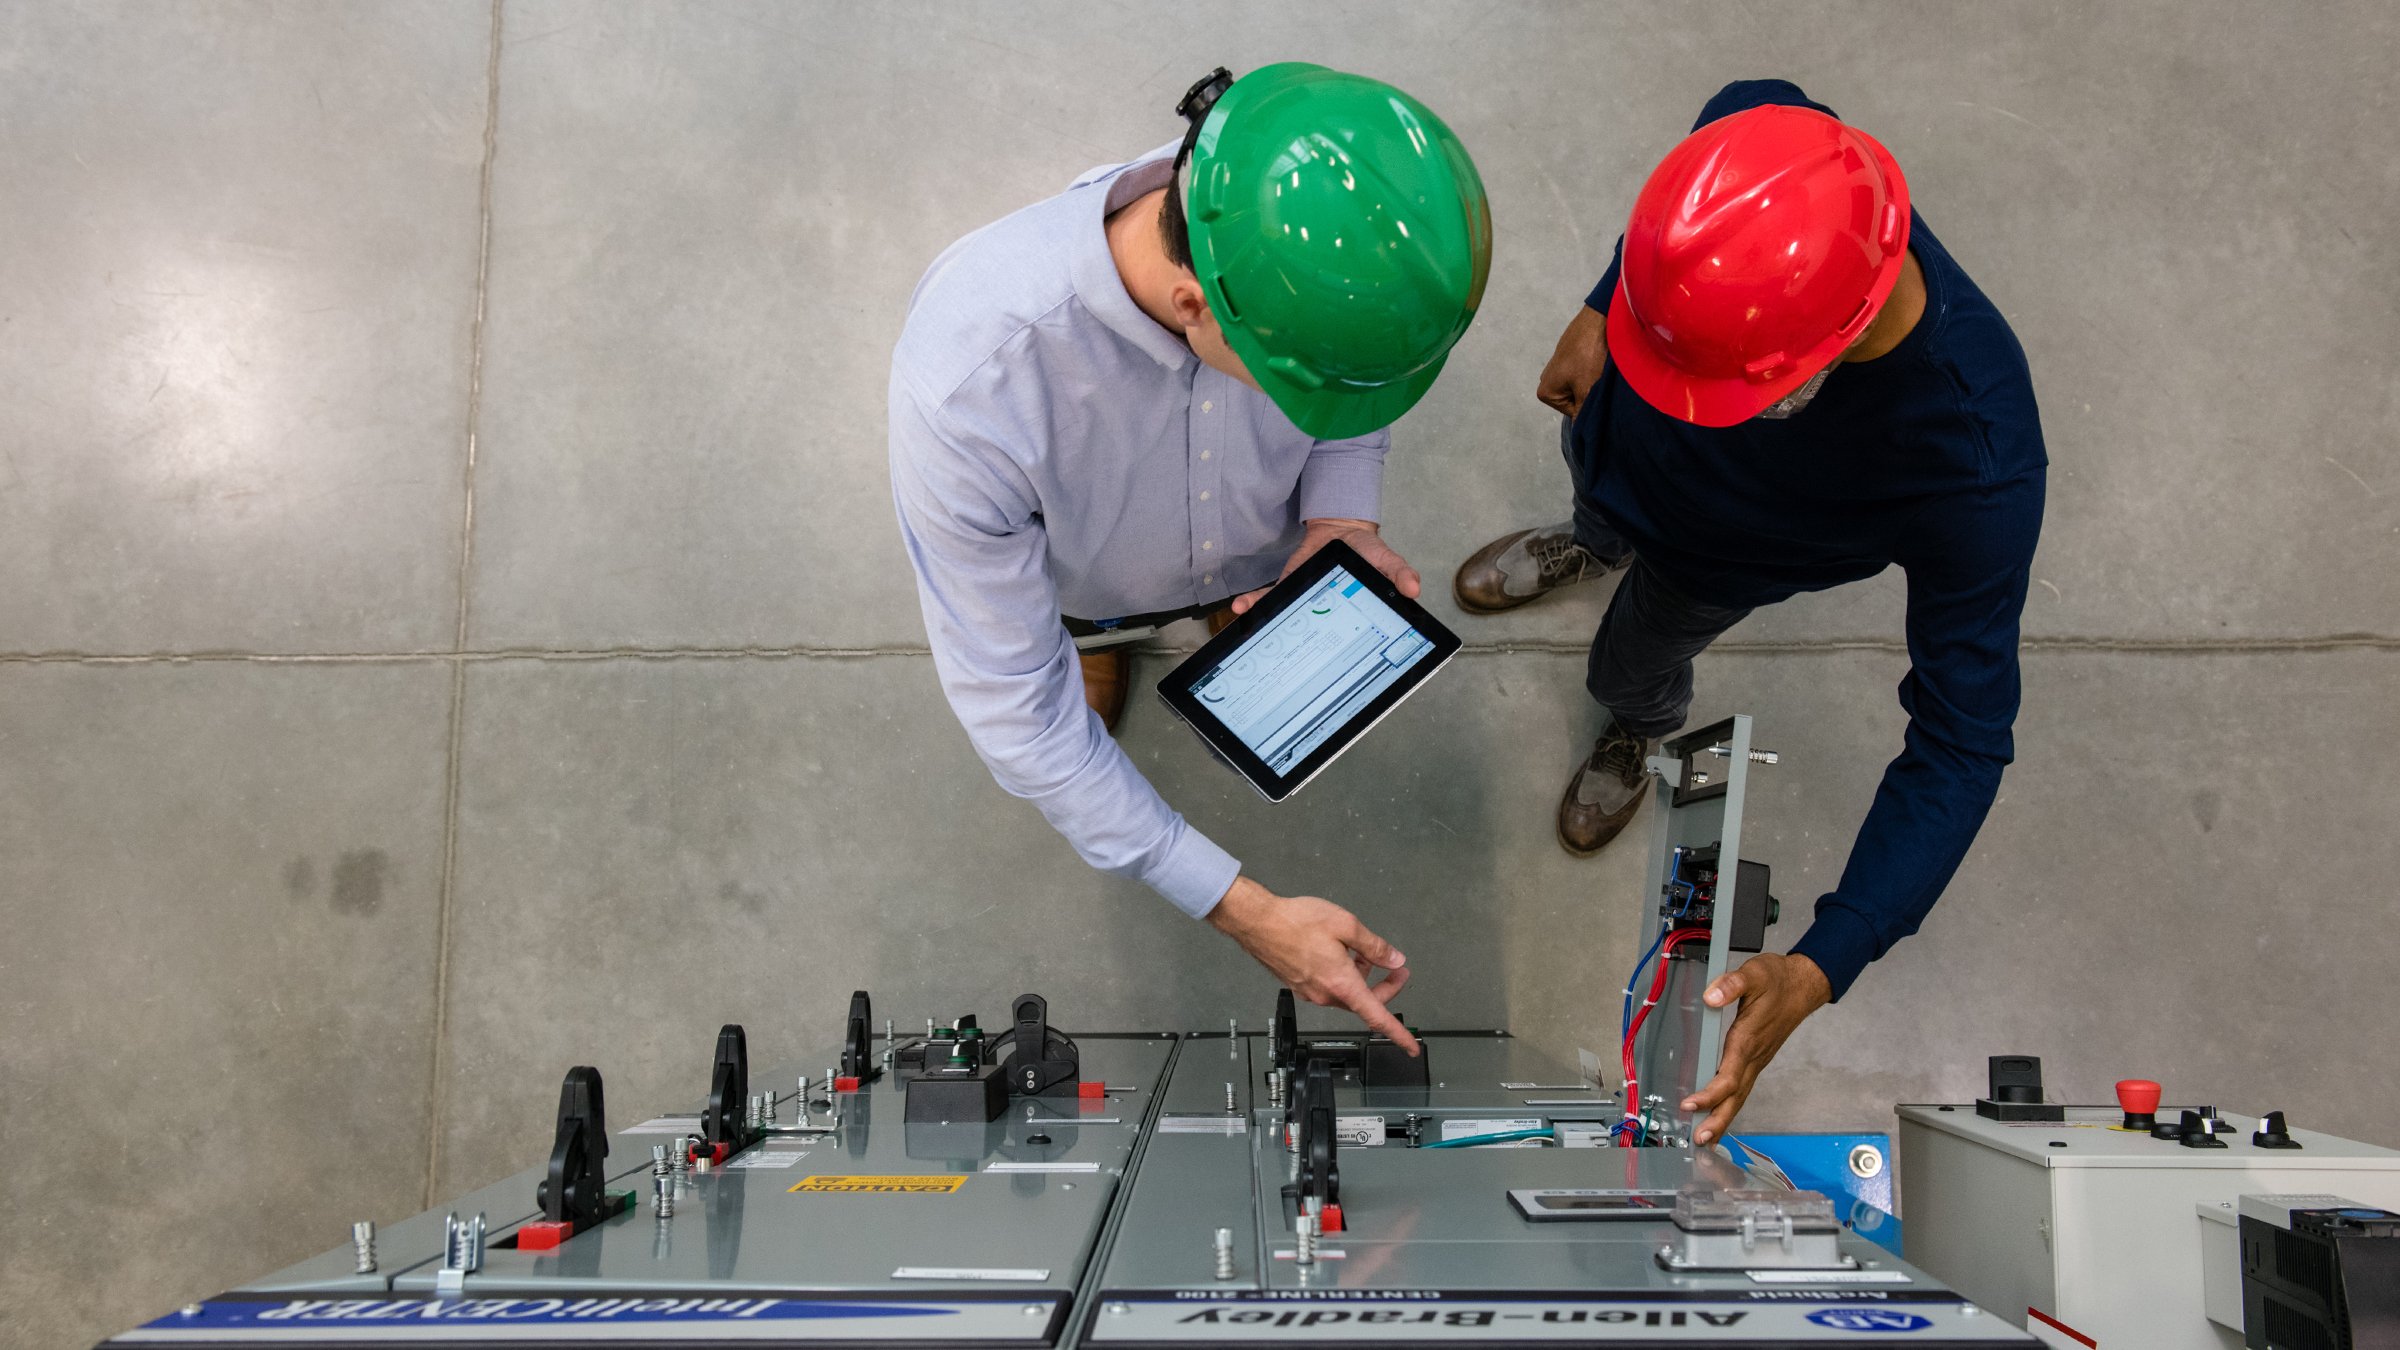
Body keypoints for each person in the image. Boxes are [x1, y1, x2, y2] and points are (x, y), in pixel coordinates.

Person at [1454, 80, 2045, 1142]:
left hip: (1712, 561)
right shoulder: (1794, 181)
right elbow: (1747, 95)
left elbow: (1960, 745)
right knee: (1601, 508)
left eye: (1708, 377)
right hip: (1613, 449)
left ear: (1815, 358)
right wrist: (1606, 310)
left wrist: (1827, 959)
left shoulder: (1972, 464)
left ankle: (1636, 727)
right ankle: (1589, 537)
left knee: (1631, 661)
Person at [890, 65, 1491, 1050]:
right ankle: (1098, 638)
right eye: (1305, 392)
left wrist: (1335, 516)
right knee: (1072, 661)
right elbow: (1025, 724)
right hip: (1091, 578)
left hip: (1266, 550)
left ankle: (1229, 604)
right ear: (1192, 304)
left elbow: (1355, 382)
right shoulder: (971, 388)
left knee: (1249, 605)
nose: (1333, 413)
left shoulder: (1328, 239)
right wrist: (1245, 909)